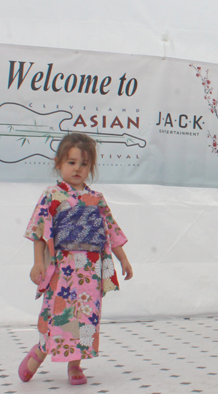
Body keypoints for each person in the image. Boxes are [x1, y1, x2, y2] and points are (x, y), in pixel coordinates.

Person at [18, 133, 133, 385]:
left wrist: (123, 259)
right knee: (56, 313)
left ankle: (75, 365)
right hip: (63, 265)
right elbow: (40, 231)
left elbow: (110, 230)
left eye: (84, 164)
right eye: (71, 162)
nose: (78, 169)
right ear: (58, 163)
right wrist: (38, 262)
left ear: (91, 167)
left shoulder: (97, 198)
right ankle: (40, 350)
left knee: (86, 316)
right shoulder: (52, 194)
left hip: (90, 268)